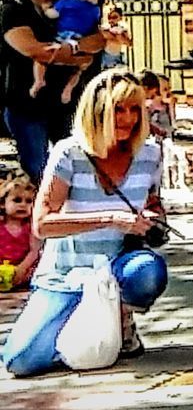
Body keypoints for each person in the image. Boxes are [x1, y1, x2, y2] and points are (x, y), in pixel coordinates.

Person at [2, 70, 169, 376]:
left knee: (148, 271)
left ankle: (121, 317)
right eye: (118, 109)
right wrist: (109, 219)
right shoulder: (69, 153)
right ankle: (80, 325)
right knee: (21, 360)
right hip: (67, 272)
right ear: (98, 110)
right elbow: (41, 224)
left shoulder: (150, 154)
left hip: (117, 266)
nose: (128, 119)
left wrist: (153, 218)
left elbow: (154, 205)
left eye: (135, 109)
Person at [0, 0, 105, 182]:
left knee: (78, 169)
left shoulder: (69, 2)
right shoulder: (13, 8)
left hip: (68, 103)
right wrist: (78, 56)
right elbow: (33, 49)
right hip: (27, 104)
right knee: (40, 171)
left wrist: (76, 48)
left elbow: (97, 39)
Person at [31, 0, 101, 106]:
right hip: (78, 38)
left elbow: (52, 15)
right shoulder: (94, 9)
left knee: (41, 57)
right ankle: (68, 87)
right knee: (78, 69)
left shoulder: (65, 3)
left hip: (62, 36)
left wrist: (45, 8)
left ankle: (39, 80)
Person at [0, 176, 40, 291]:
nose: (23, 205)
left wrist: (21, 269)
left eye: (28, 201)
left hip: (24, 269)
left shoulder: (32, 228)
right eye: (17, 200)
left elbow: (34, 251)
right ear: (3, 203)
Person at [99, 3, 132, 70]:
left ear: (120, 17)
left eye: (114, 17)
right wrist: (116, 37)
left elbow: (129, 43)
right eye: (109, 17)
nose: (111, 20)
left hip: (118, 55)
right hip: (107, 56)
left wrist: (120, 37)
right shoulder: (105, 28)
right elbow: (105, 35)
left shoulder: (123, 28)